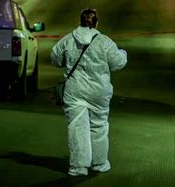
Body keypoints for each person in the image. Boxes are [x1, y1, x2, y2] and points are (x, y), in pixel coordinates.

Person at [51, 9, 127, 176]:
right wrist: (123, 53)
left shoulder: (68, 40)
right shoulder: (104, 42)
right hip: (99, 91)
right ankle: (99, 163)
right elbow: (117, 63)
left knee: (77, 128)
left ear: (80, 21)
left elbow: (55, 59)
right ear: (96, 23)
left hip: (75, 90)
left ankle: (78, 167)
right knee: (99, 125)